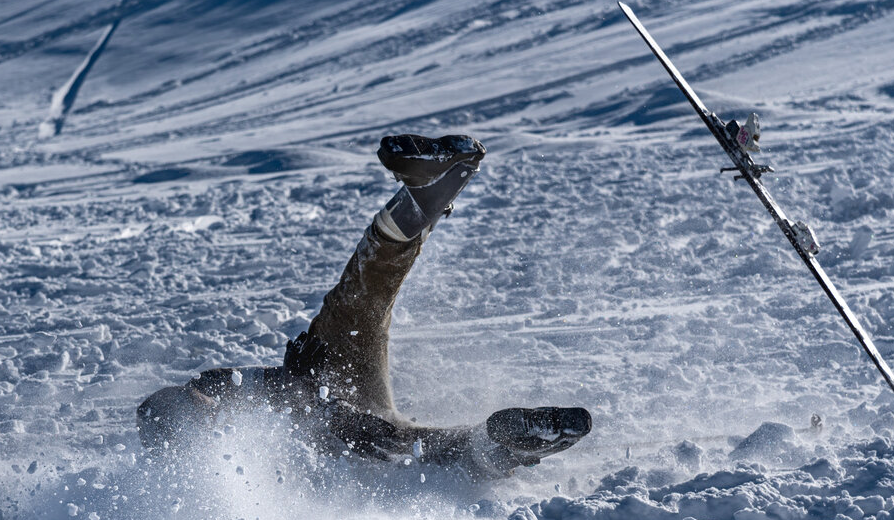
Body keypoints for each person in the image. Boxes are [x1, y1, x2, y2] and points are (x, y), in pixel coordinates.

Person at [136, 134, 591, 479]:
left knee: (352, 306)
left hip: (339, 398)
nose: (207, 411)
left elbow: (272, 389)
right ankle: (500, 445)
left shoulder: (216, 388)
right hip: (355, 447)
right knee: (403, 448)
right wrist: (332, 424)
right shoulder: (205, 486)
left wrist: (298, 382)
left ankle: (422, 195)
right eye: (199, 416)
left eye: (198, 407)